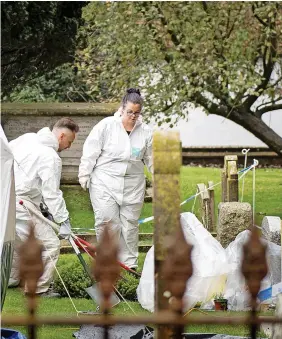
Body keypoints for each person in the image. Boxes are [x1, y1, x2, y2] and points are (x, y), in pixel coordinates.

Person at [78, 88, 153, 269]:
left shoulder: (146, 132)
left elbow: (152, 159)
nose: (133, 116)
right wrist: (84, 174)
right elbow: (91, 151)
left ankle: (129, 267)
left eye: (137, 113)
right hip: (104, 182)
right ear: (121, 109)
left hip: (133, 185)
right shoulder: (106, 126)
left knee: (130, 226)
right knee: (107, 222)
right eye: (129, 112)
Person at [8, 118, 79, 296]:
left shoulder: (27, 138)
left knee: (15, 241)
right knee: (51, 245)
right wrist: (64, 220)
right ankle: (38, 289)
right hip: (23, 203)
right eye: (69, 142)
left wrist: (45, 210)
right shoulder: (51, 157)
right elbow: (52, 193)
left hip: (7, 197)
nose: (69, 147)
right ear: (61, 135)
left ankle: (11, 279)